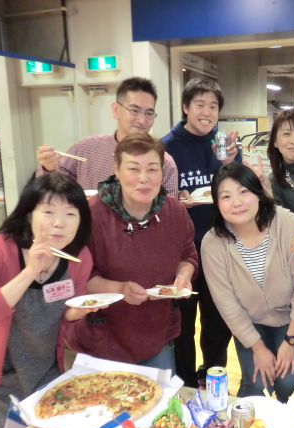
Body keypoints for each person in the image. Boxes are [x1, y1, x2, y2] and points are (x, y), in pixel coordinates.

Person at [0, 172, 95, 428]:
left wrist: (77, 313)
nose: (59, 223)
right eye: (48, 212)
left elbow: (65, 314)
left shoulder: (79, 257)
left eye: (70, 214)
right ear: (29, 214)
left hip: (44, 373)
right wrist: (30, 271)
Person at [64, 132, 197, 375]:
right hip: (102, 339)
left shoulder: (175, 212)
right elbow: (79, 276)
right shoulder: (92, 214)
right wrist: (119, 289)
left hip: (158, 334)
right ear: (116, 169)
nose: (144, 179)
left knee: (159, 397)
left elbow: (187, 254)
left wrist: (183, 276)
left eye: (152, 169)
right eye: (134, 168)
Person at [201, 163, 294, 401]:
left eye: (244, 192)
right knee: (257, 386)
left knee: (290, 383)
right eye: (226, 196)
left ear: (258, 192)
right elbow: (227, 305)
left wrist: (291, 341)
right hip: (250, 321)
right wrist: (258, 348)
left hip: (291, 318)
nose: (237, 202)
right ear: (216, 203)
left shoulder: (289, 224)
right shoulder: (212, 243)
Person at [161, 77, 241, 387]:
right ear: (185, 107)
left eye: (213, 107)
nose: (207, 113)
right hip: (181, 253)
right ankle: (184, 383)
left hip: (220, 248)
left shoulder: (223, 146)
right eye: (200, 105)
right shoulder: (167, 147)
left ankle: (212, 376)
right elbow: (155, 198)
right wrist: (173, 199)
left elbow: (241, 192)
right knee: (182, 322)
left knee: (218, 320)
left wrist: (232, 163)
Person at [36, 77, 179, 197]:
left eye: (149, 113)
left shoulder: (164, 163)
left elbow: (169, 211)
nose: (142, 120)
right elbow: (52, 190)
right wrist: (49, 167)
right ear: (116, 110)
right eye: (134, 110)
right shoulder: (87, 148)